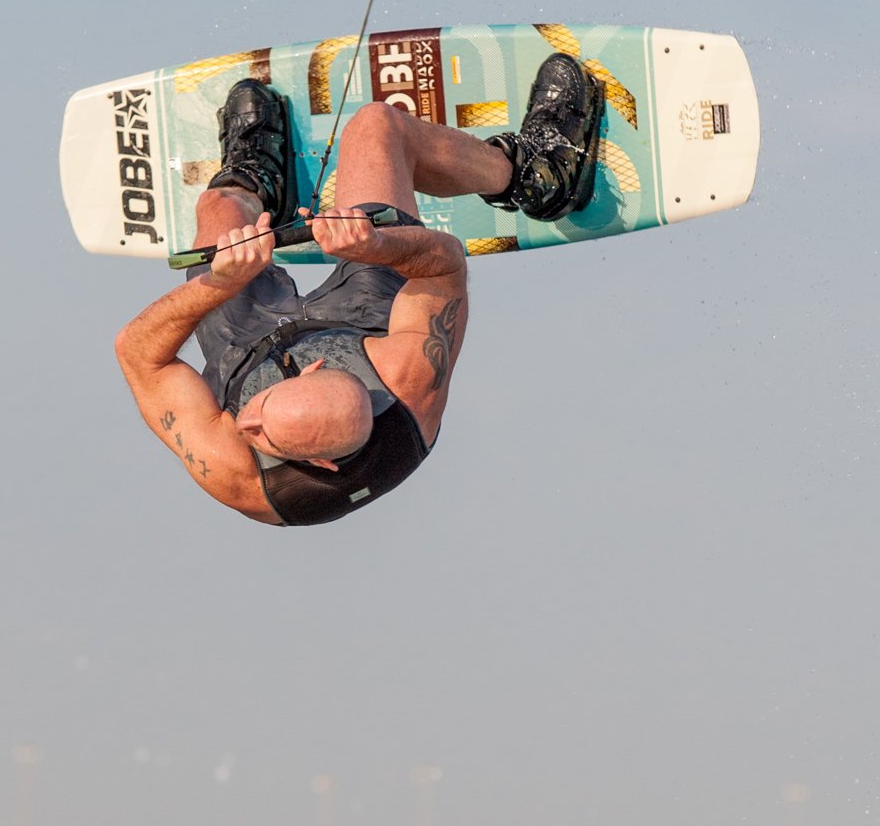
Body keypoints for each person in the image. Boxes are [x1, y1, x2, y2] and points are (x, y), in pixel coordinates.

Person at [113, 55, 604, 527]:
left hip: (245, 349)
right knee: (375, 127)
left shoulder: (229, 460)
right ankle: (536, 173)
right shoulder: (406, 380)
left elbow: (138, 353)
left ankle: (253, 179)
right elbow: (444, 265)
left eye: (258, 416)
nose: (243, 424)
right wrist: (376, 244)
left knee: (219, 208)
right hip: (362, 319)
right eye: (260, 421)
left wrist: (223, 280)